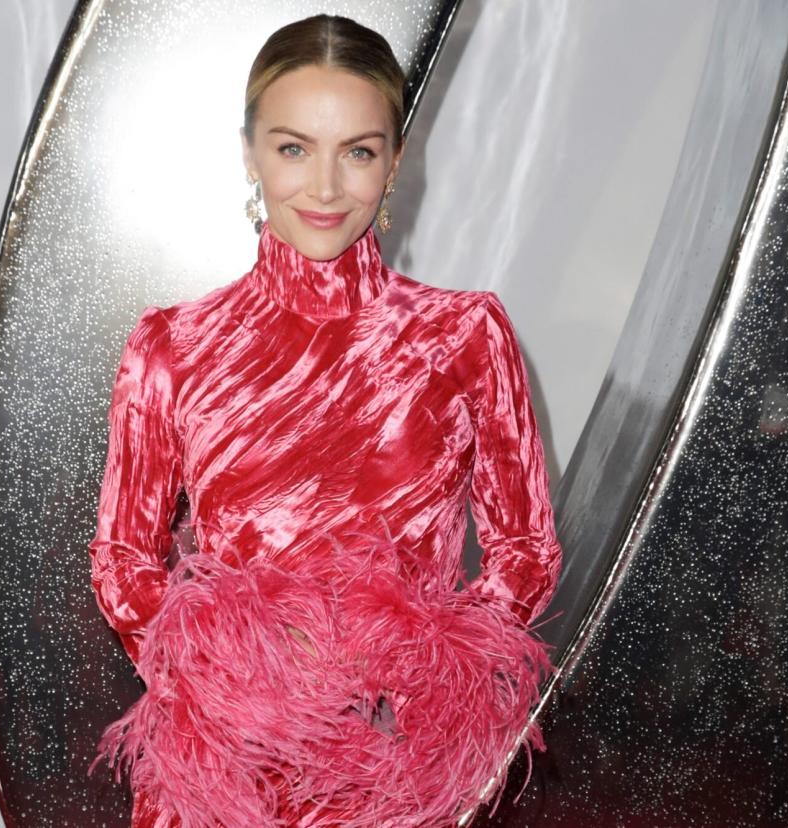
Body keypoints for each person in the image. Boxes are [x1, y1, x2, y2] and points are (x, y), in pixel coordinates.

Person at [87, 14, 563, 827]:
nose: (326, 188)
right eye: (293, 147)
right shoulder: (174, 346)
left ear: (395, 161)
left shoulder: (464, 335)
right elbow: (124, 559)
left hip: (396, 778)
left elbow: (526, 551)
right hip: (220, 782)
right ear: (250, 153)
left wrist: (417, 672)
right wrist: (236, 678)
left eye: (359, 152)